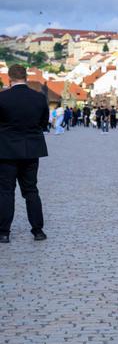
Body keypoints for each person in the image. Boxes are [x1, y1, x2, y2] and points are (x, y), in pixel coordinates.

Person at [0, 64, 48, 243]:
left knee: (6, 191)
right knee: (31, 190)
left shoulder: (2, 98)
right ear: (26, 77)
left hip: (6, 151)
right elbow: (44, 123)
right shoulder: (39, 98)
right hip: (31, 150)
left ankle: (4, 232)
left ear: (9, 78)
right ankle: (38, 230)